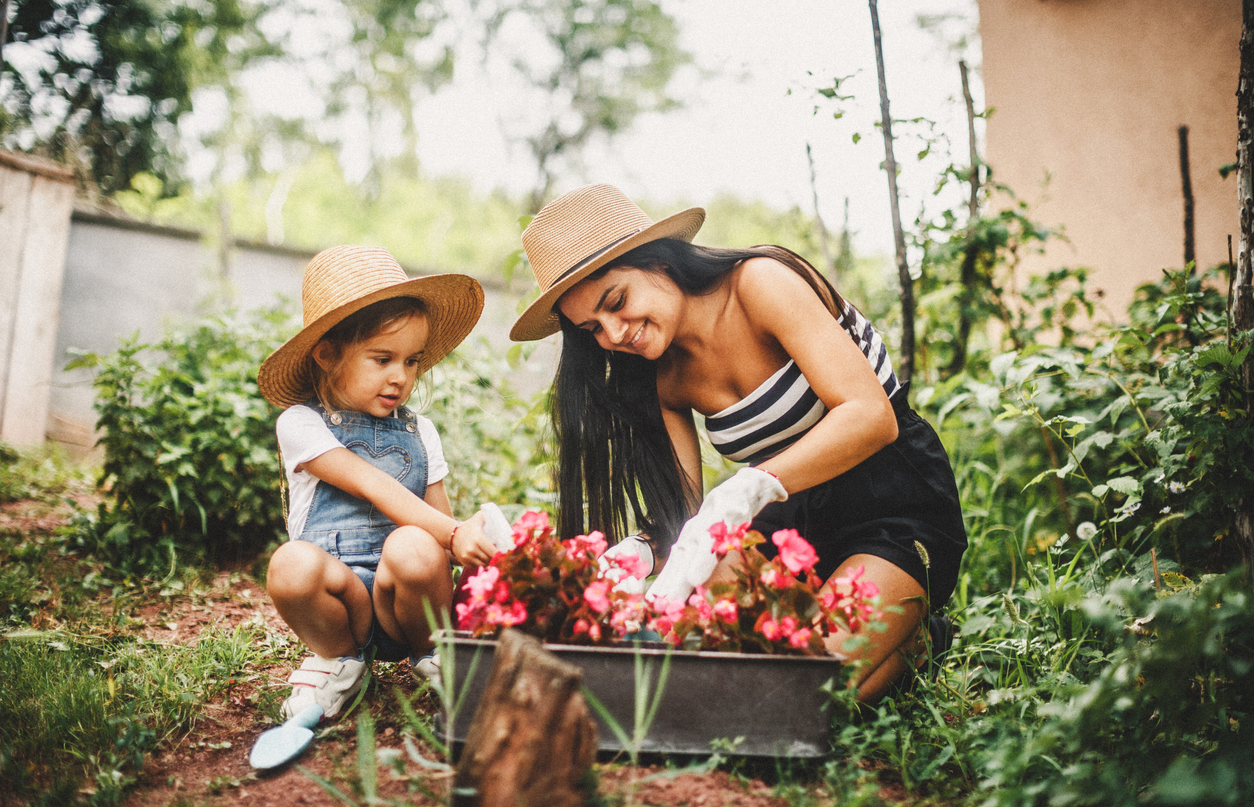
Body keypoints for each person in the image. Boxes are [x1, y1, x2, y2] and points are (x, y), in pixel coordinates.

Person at [510, 184, 967, 701]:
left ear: (659, 260)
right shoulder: (662, 378)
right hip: (791, 518)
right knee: (735, 669)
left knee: (804, 694)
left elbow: (870, 417)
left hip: (892, 497)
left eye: (616, 301)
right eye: (592, 327)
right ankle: (872, 642)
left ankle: (918, 642)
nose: (613, 334)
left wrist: (746, 487)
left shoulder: (759, 283)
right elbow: (687, 522)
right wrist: (633, 561)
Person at [258, 244, 503, 721]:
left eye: (412, 361)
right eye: (382, 359)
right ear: (328, 354)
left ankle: (433, 657)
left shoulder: (421, 432)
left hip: (404, 607)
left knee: (414, 543)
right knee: (289, 565)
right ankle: (339, 663)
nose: (400, 378)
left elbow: (440, 527)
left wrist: (472, 538)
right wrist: (453, 534)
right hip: (341, 605)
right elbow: (371, 483)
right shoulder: (301, 423)